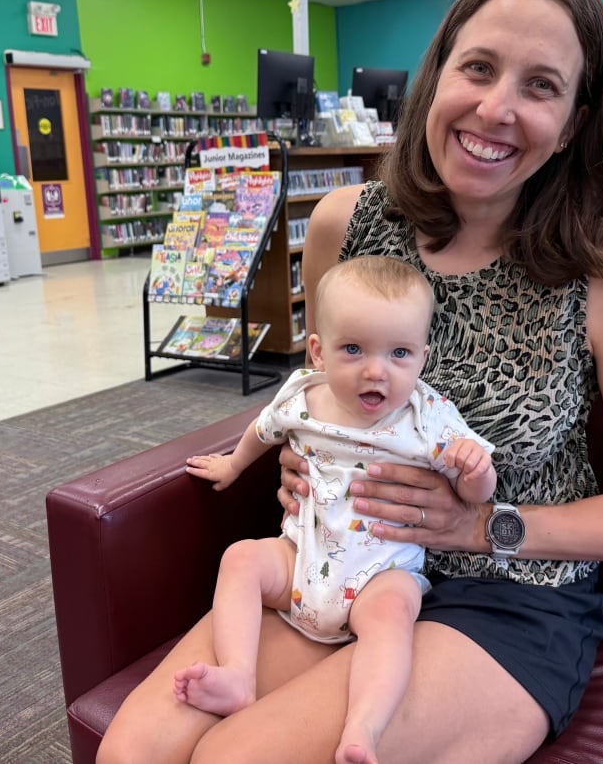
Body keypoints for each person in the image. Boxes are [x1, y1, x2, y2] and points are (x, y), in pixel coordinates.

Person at [98, 0, 603, 764]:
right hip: (341, 561)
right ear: (438, 73)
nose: (495, 109)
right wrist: (297, 453)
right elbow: (322, 385)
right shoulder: (343, 224)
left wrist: (484, 522)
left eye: (540, 86)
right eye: (480, 68)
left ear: (572, 122)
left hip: (509, 596)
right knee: (131, 752)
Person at [175, 255, 496, 764]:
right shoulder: (303, 395)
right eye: (354, 349)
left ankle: (363, 728)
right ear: (318, 352)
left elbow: (478, 494)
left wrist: (475, 473)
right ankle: (237, 674)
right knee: (240, 558)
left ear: (422, 357)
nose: (377, 371)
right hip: (301, 559)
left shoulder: (427, 415)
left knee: (392, 619)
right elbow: (264, 429)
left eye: (399, 354)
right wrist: (233, 467)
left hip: (380, 573)